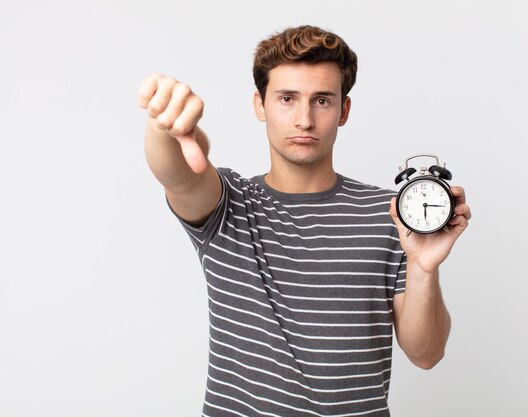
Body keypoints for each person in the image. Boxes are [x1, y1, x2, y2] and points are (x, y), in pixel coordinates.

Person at [138, 25, 470, 417]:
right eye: (287, 98)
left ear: (344, 110)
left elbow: (427, 354)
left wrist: (423, 266)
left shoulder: (392, 213)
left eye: (322, 101)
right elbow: (179, 173)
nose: (304, 119)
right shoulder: (230, 204)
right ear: (260, 105)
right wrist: (165, 128)